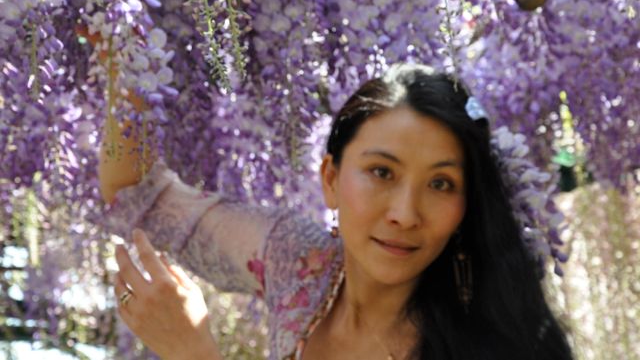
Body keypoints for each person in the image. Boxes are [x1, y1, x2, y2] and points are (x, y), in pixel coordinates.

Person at [101, 63, 574, 360]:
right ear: (330, 178)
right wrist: (126, 49)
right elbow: (140, 196)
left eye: (440, 183)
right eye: (382, 172)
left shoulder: (484, 345)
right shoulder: (300, 265)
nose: (405, 215)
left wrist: (192, 352)